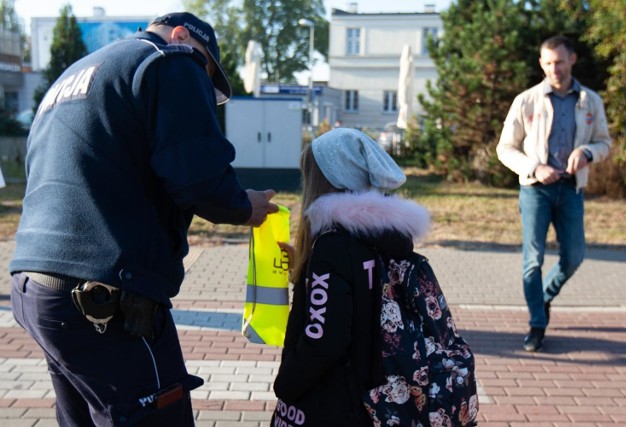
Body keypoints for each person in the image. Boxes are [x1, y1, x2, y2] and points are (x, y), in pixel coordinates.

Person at [9, 12, 278, 426]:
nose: (203, 87)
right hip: (104, 299)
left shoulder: (78, 73)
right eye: (206, 74)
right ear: (183, 35)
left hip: (35, 287)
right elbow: (199, 175)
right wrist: (245, 205)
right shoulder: (172, 58)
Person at [271, 128, 431, 426]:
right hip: (371, 395)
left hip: (331, 402)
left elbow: (324, 340)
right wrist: (306, 272)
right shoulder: (380, 236)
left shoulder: (332, 246)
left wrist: (286, 384)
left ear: (326, 181)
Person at [496, 35, 611, 352]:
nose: (553, 68)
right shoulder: (527, 100)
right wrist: (534, 167)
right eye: (547, 63)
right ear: (541, 64)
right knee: (532, 260)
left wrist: (588, 151)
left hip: (571, 189)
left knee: (574, 257)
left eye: (559, 62)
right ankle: (536, 324)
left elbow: (605, 143)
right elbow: (505, 149)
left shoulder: (590, 101)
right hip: (535, 190)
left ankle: (543, 298)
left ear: (572, 59)